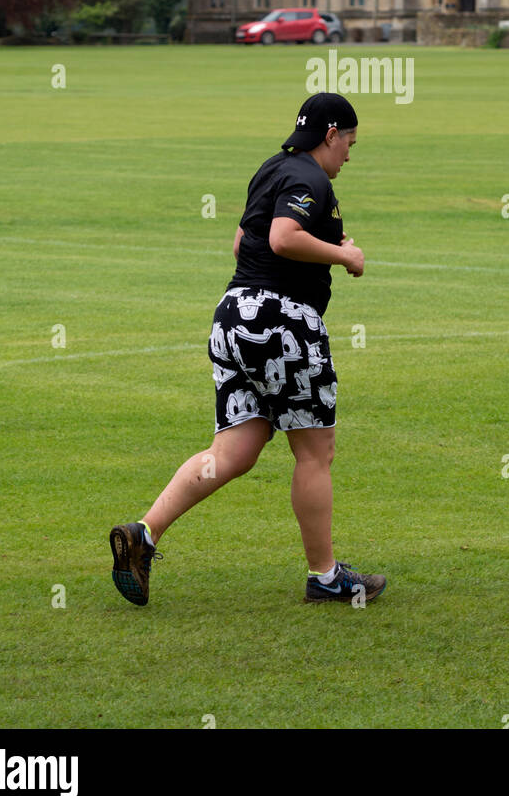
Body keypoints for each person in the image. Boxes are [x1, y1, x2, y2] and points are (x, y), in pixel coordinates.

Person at [109, 92, 386, 606]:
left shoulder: (272, 169)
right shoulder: (310, 178)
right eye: (349, 141)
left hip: (234, 317)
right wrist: (345, 256)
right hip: (283, 325)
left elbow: (243, 244)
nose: (350, 152)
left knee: (232, 452)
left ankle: (144, 535)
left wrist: (322, 245)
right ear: (330, 135)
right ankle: (325, 577)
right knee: (315, 452)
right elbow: (283, 238)